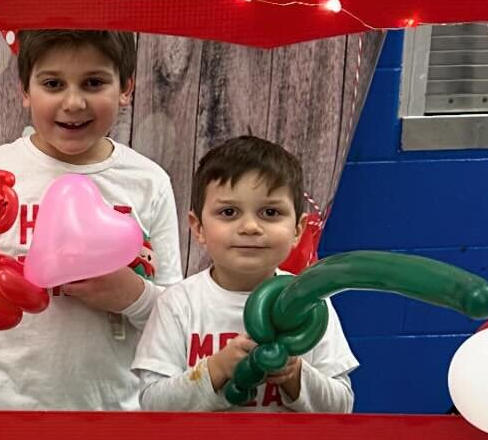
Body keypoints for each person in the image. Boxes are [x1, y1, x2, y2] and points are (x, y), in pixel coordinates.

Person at [0, 29, 183, 411]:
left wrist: (133, 295)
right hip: (2, 419)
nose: (74, 102)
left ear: (126, 87)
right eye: (53, 83)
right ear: (25, 89)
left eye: (94, 82)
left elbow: (178, 320)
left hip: (113, 421)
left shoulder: (148, 182)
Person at [134, 136, 357, 412]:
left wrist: (296, 374)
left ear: (298, 230)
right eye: (229, 212)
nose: (250, 226)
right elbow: (152, 405)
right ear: (198, 227)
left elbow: (341, 407)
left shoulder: (309, 303)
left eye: (270, 212)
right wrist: (215, 369)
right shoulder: (177, 304)